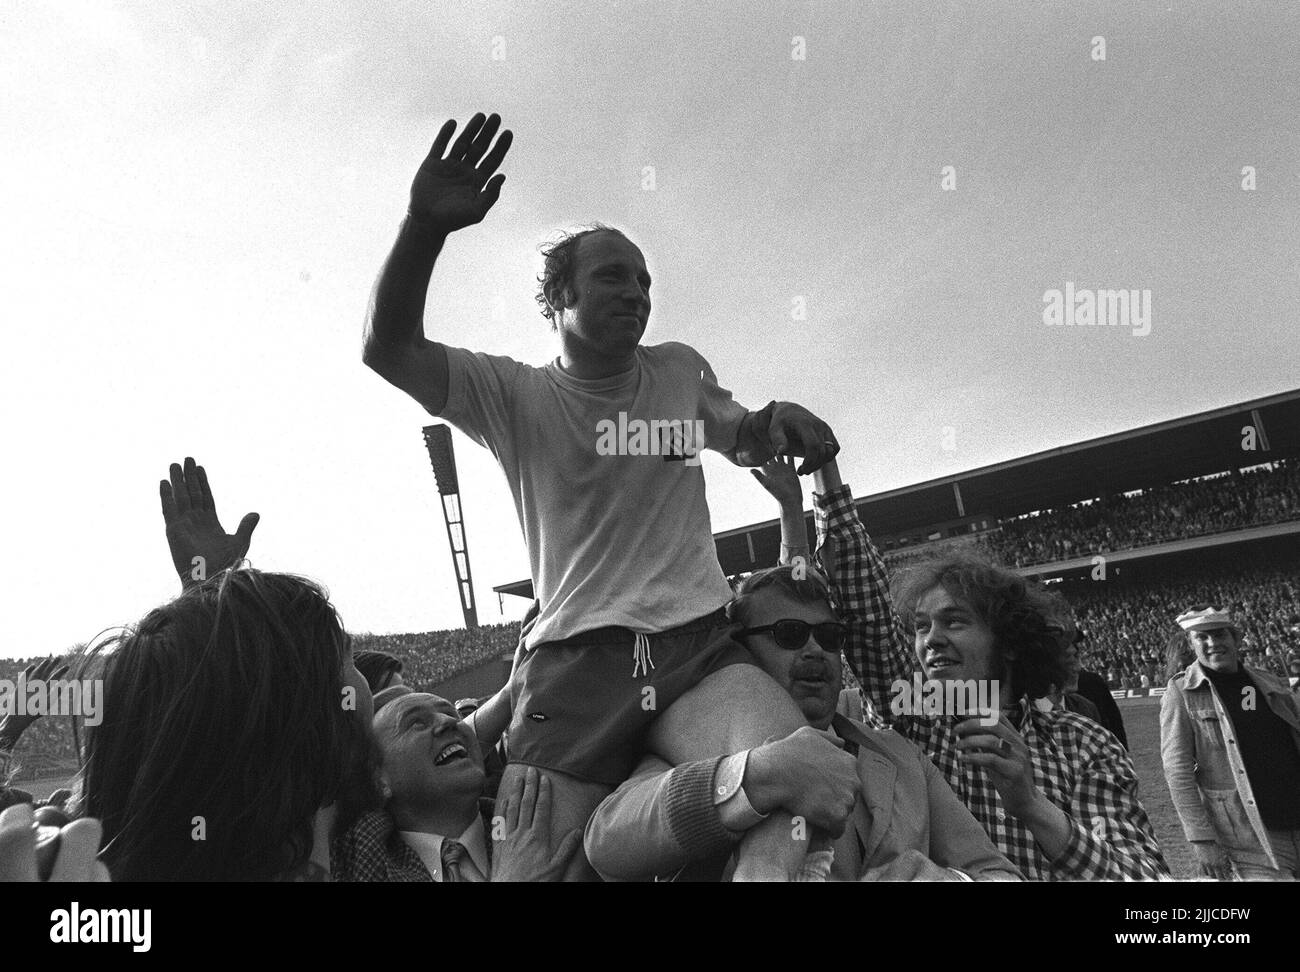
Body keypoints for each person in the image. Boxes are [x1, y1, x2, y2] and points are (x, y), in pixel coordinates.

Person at [363, 112, 841, 879]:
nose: (637, 292)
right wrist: (423, 229)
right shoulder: (511, 394)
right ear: (557, 300)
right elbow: (389, 348)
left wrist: (780, 420)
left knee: (798, 790)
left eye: (645, 279)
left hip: (697, 651)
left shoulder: (679, 371)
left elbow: (745, 433)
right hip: (576, 673)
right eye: (613, 275)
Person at [584, 469, 1022, 881]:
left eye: (830, 636)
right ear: (742, 651)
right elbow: (607, 837)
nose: (815, 648)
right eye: (788, 634)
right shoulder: (695, 746)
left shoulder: (902, 756)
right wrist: (756, 777)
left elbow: (996, 870)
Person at [808, 455, 1168, 880]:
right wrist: (824, 468)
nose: (931, 639)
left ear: (1010, 643)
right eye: (921, 627)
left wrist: (1032, 806)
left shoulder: (1085, 745)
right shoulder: (913, 719)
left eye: (955, 621)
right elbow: (868, 613)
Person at [334, 686, 579, 882]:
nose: (448, 722)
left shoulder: (533, 821)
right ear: (378, 779)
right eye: (416, 722)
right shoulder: (359, 860)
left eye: (453, 714)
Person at [1160, 605, 1300, 880]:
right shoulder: (1182, 693)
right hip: (1251, 838)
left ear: (1236, 639)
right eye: (1202, 637)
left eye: (1219, 634)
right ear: (1192, 644)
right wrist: (1201, 839)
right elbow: (1178, 771)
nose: (1213, 643)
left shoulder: (1265, 681)